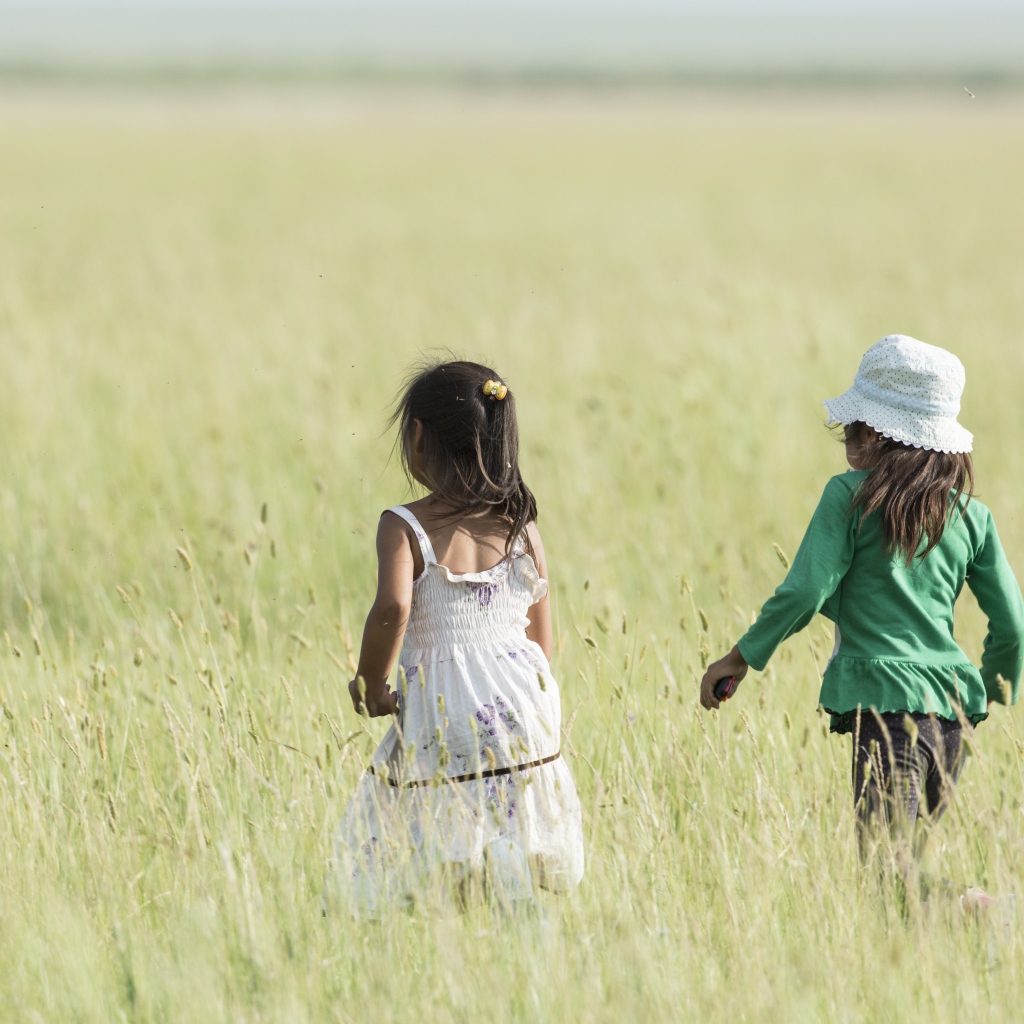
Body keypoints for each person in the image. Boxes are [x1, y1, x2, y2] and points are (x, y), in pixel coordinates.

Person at [700, 335, 1024, 879]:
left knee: (885, 882)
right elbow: (1013, 626)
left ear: (896, 436)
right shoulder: (973, 517)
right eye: (852, 423)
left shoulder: (848, 496)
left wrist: (740, 658)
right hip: (951, 720)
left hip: (887, 714)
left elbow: (805, 591)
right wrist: (988, 693)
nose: (853, 435)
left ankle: (986, 915)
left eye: (865, 425)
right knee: (907, 878)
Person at [331, 360, 584, 917]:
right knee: (508, 830)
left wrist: (372, 683)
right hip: (524, 703)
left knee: (433, 832)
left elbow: (394, 606)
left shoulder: (404, 524)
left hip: (449, 706)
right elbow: (542, 641)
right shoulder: (523, 526)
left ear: (418, 436)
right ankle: (520, 922)